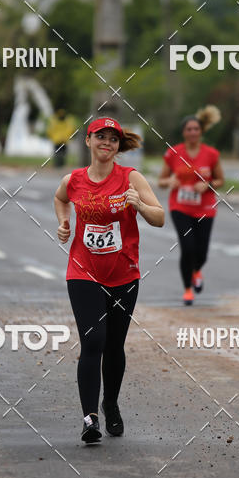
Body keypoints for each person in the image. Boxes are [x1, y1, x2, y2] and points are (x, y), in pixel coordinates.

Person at [54, 117, 164, 443]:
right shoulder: (73, 180)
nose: (107, 142)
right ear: (87, 141)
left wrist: (140, 205)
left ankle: (111, 403)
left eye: (113, 139)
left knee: (114, 346)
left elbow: (159, 217)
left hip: (123, 275)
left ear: (118, 146)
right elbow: (60, 198)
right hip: (83, 272)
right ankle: (90, 418)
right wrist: (64, 223)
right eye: (100, 136)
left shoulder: (131, 178)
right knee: (93, 341)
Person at [158, 106, 225, 305]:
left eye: (196, 129)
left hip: (205, 208)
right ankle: (188, 289)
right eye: (189, 129)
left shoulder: (211, 154)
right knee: (187, 248)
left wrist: (209, 184)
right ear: (183, 132)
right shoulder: (173, 153)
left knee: (201, 252)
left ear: (201, 131)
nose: (193, 132)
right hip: (180, 207)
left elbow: (221, 180)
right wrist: (170, 182)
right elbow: (161, 181)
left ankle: (196, 271)